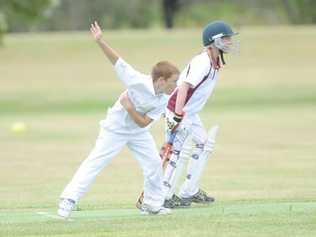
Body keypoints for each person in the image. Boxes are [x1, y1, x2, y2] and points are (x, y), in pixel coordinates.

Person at [57, 21, 179, 218]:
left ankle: (152, 204)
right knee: (96, 161)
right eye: (174, 81)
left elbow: (143, 123)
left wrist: (130, 107)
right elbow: (117, 61)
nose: (176, 85)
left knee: (154, 164)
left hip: (138, 131)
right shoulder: (137, 80)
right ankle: (68, 200)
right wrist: (100, 41)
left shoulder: (164, 98)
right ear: (161, 80)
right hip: (114, 129)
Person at [162, 20, 238, 208]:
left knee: (204, 144)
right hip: (178, 111)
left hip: (190, 113)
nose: (229, 42)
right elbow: (184, 87)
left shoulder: (214, 61)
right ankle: (164, 196)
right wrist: (178, 115)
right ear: (214, 41)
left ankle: (189, 191)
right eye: (226, 38)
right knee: (176, 154)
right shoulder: (203, 61)